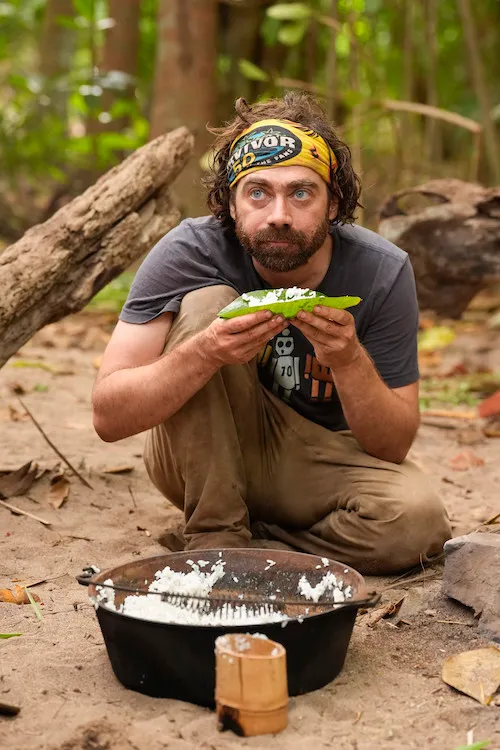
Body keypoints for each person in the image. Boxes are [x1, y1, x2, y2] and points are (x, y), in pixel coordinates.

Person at [92, 92, 451, 574]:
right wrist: (206, 351)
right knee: (206, 304)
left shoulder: (381, 271)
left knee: (418, 524)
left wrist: (348, 359)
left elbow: (392, 446)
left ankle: (260, 542)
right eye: (258, 193)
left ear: (333, 204)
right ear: (231, 203)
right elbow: (108, 417)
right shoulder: (189, 252)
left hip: (312, 458)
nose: (279, 214)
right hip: (195, 456)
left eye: (301, 193)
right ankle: (215, 537)